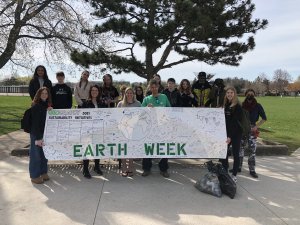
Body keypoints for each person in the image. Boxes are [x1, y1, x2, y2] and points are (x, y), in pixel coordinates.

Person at [141, 79, 171, 178]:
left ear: (158, 87)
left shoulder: (164, 97)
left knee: (163, 147)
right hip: (149, 128)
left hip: (162, 127)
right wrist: (146, 108)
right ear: (149, 88)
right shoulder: (146, 99)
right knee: (148, 147)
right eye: (152, 87)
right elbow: (141, 113)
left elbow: (170, 109)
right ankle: (146, 168)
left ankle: (163, 169)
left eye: (155, 87)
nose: (154, 89)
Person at [239, 89, 267, 178]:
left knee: (252, 150)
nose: (250, 95)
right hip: (242, 129)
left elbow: (264, 118)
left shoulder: (258, 106)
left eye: (252, 93)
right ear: (245, 95)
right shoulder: (241, 105)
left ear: (254, 95)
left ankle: (252, 169)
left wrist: (256, 126)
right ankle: (238, 167)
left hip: (252, 130)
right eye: (248, 93)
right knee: (240, 149)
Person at [81, 85, 107, 178]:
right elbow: (81, 116)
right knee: (87, 149)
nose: (94, 92)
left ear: (98, 92)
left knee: (97, 148)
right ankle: (85, 169)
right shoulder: (85, 103)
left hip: (98, 130)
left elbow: (105, 115)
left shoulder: (102, 103)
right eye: (92, 90)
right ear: (90, 92)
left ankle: (97, 166)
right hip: (88, 130)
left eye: (96, 90)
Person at [219, 87, 243, 183]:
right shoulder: (226, 105)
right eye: (228, 93)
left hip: (236, 133)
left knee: (236, 154)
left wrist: (230, 136)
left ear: (235, 94)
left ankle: (234, 175)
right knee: (224, 153)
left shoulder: (237, 106)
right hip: (226, 133)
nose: (229, 94)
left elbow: (235, 123)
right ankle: (225, 171)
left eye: (231, 93)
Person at [29, 87, 53, 184]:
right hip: (36, 134)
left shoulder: (46, 105)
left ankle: (43, 172)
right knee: (36, 155)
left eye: (46, 93)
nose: (44, 95)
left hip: (44, 133)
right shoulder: (36, 106)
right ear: (38, 94)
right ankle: (34, 175)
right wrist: (38, 138)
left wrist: (49, 111)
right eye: (42, 93)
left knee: (44, 155)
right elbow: (35, 124)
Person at [117, 87, 141, 177]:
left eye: (131, 93)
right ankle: (124, 167)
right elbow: (117, 117)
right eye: (127, 93)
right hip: (123, 130)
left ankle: (130, 166)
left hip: (134, 130)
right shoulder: (120, 104)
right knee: (123, 149)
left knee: (131, 149)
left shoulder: (138, 104)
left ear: (133, 94)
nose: (129, 94)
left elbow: (141, 115)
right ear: (125, 94)